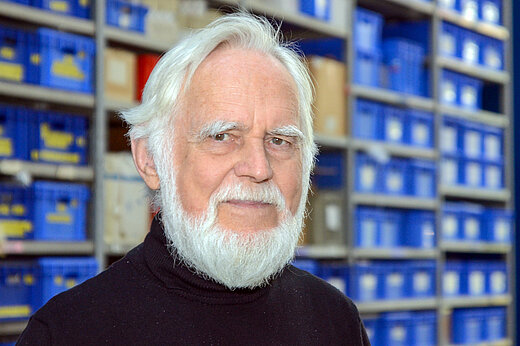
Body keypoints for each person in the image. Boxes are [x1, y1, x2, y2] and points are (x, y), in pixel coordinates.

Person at [17, 12, 370, 345]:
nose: (259, 168)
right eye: (222, 136)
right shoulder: (69, 332)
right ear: (151, 160)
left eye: (280, 141)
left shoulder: (335, 321)